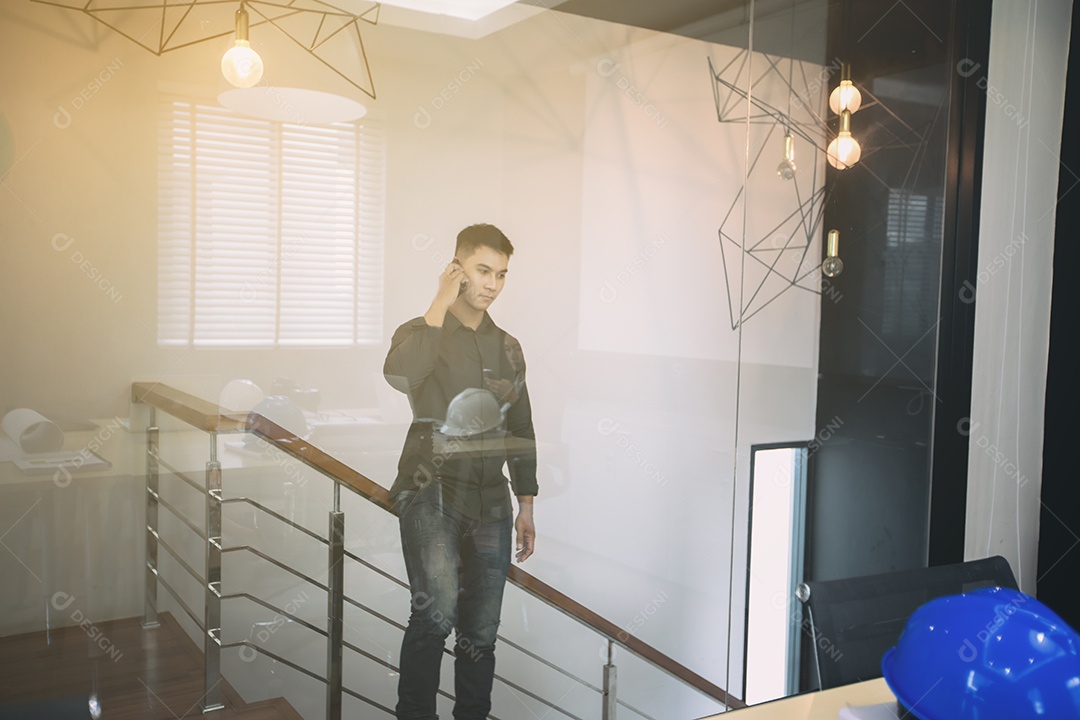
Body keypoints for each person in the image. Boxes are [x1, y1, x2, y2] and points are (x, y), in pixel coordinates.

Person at [383, 223, 537, 720]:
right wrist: (439, 299)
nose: (492, 284)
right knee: (436, 614)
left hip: (491, 500)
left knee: (481, 632)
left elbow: (522, 425)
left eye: (502, 274)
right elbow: (401, 375)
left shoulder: (508, 347)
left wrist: (526, 504)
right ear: (458, 268)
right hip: (431, 491)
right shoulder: (420, 330)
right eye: (482, 270)